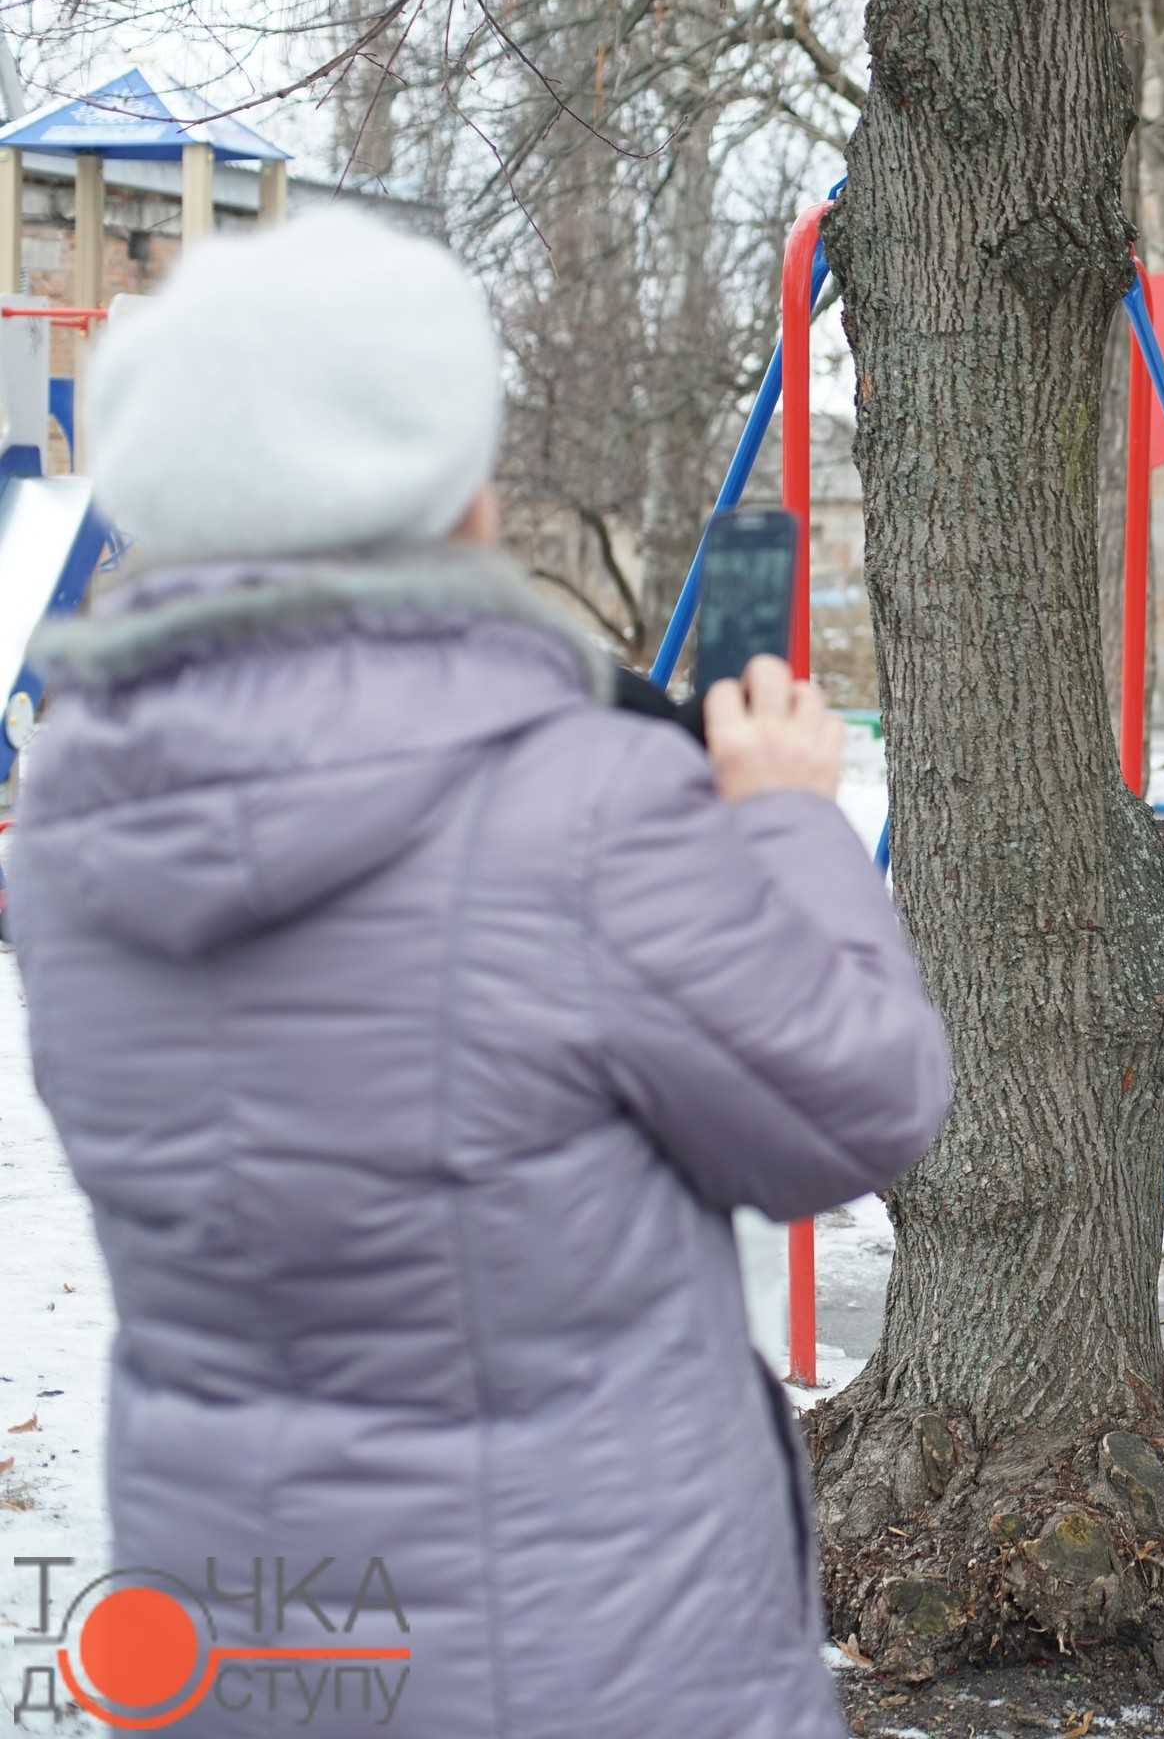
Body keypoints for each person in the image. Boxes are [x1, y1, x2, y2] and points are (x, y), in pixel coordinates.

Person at [11, 210, 951, 1739]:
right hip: (580, 1651)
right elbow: (857, 1100)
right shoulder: (568, 811)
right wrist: (785, 820)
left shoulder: (74, 816)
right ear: (440, 493)